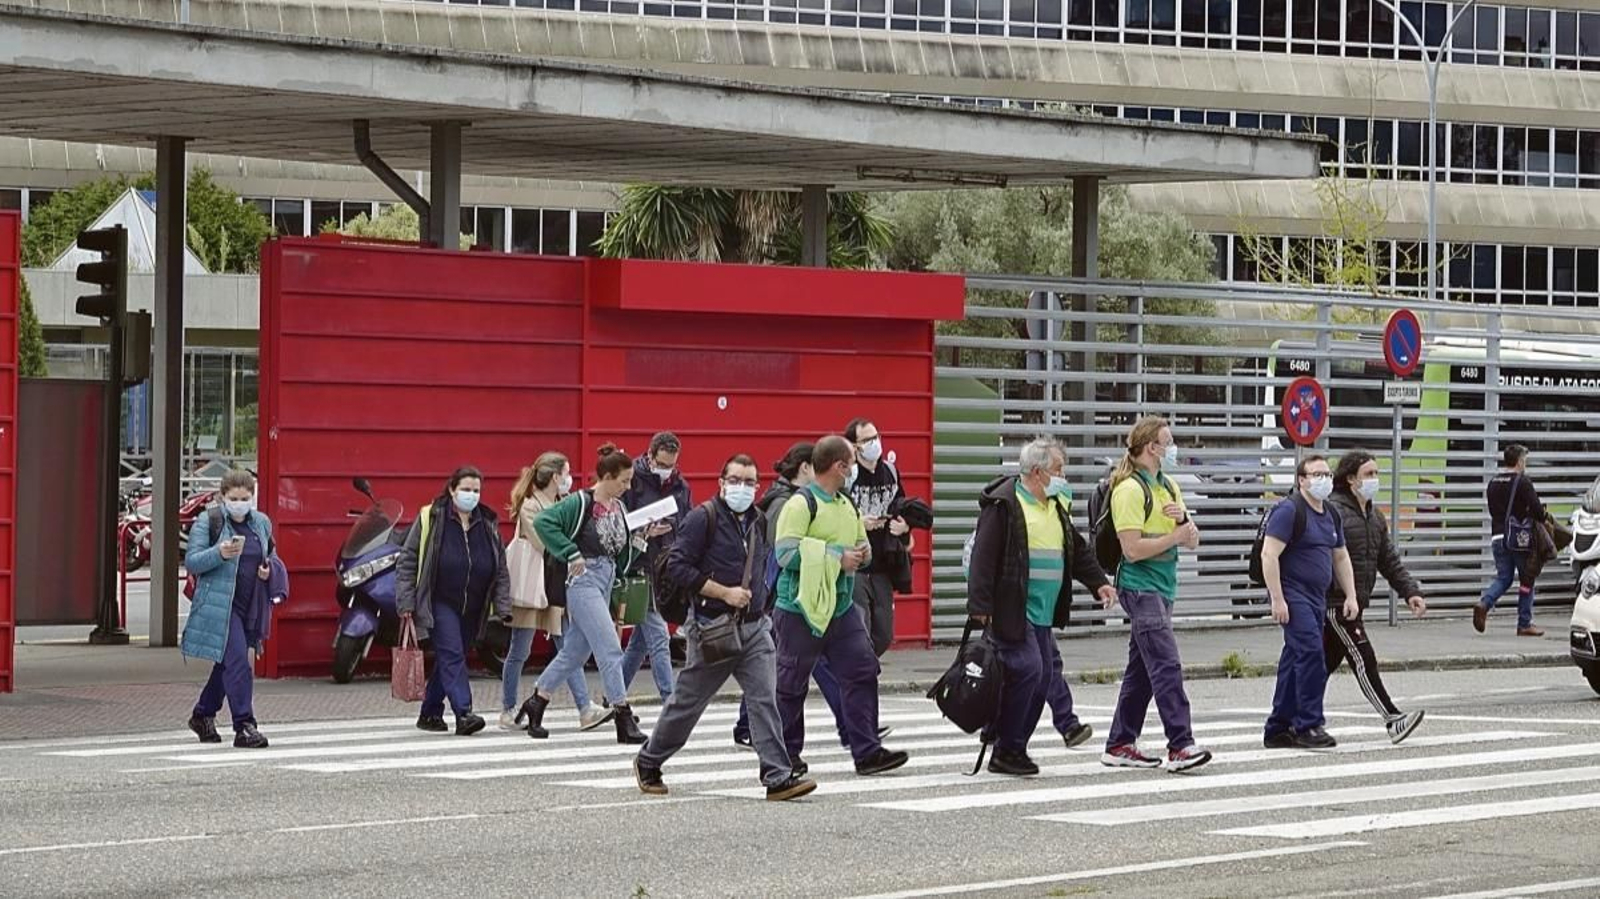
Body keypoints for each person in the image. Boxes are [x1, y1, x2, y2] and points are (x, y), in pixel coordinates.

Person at [634, 454, 818, 802]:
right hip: (712, 628)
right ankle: (649, 760)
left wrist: (763, 605)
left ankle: (777, 776)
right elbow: (678, 568)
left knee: (765, 700)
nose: (742, 488)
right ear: (722, 483)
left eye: (749, 482)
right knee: (687, 704)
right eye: (736, 480)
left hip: (754, 629)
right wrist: (724, 593)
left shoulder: (758, 521)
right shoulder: (702, 519)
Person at [967, 438, 1116, 776]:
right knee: (1030, 670)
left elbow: (1075, 549)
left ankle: (1008, 742)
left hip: (1044, 610)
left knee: (1043, 675)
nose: (1063, 476)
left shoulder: (1053, 505)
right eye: (1058, 470)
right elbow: (983, 556)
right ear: (1037, 472)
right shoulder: (1004, 505)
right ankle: (1008, 748)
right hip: (1012, 607)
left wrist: (1098, 582)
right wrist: (979, 604)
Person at [773, 435, 909, 777]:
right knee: (791, 684)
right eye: (851, 459)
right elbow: (785, 553)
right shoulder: (800, 505)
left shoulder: (846, 504)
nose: (856, 465)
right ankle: (787, 757)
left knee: (863, 671)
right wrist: (836, 557)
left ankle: (867, 751)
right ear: (840, 466)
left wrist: (863, 556)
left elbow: (862, 548)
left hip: (841, 607)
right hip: (800, 609)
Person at [517, 443, 650, 744]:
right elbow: (543, 522)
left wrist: (641, 539)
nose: (627, 487)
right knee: (609, 646)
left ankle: (537, 700)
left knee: (576, 652)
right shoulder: (580, 501)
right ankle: (622, 714)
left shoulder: (619, 507)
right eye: (623, 480)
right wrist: (570, 552)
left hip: (605, 578)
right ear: (605, 476)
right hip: (583, 579)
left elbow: (620, 554)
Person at [1101, 416, 1211, 773]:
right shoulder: (1129, 490)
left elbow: (1193, 539)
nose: (1173, 447)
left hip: (1164, 586)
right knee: (1165, 663)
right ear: (1152, 447)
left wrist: (1183, 524)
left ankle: (1120, 742)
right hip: (1139, 585)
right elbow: (1131, 549)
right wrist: (1176, 537)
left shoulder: (1169, 486)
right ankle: (1181, 745)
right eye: (1169, 441)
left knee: (1142, 670)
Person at [396, 466, 512, 737]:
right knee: (451, 653)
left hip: (474, 605)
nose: (471, 495)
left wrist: (502, 606)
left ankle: (430, 712)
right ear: (452, 489)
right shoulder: (432, 518)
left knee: (452, 657)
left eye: (476, 490)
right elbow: (408, 561)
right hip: (440, 601)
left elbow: (501, 568)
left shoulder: (487, 522)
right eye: (466, 489)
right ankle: (464, 712)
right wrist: (405, 602)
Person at [500, 453, 611, 733]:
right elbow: (543, 543)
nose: (569, 478)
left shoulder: (562, 503)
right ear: (554, 477)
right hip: (533, 584)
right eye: (567, 472)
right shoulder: (530, 505)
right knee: (520, 649)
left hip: (556, 585)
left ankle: (585, 708)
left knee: (567, 648)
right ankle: (508, 708)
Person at [1326, 451, 1427, 745]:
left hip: (1355, 602)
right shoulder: (1336, 512)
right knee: (1364, 659)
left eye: (1376, 474)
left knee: (1321, 666)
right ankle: (1392, 718)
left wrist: (1411, 592)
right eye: (1369, 474)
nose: (1375, 480)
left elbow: (1389, 560)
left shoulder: (1373, 515)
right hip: (1337, 603)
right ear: (1350, 479)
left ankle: (1298, 719)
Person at [1260, 454, 1358, 751]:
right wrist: (1277, 599)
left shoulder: (1330, 513)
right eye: (1316, 475)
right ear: (1301, 480)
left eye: (1327, 474)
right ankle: (1308, 724)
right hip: (1293, 594)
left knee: (1294, 659)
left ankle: (1278, 728)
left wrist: (1350, 594)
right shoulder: (1289, 511)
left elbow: (1340, 555)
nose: (1324, 480)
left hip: (1317, 597)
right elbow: (1269, 555)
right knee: (1312, 654)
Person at [182, 469, 281, 749]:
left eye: (245, 498)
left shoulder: (261, 523)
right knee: (238, 661)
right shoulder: (209, 521)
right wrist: (219, 553)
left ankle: (202, 714)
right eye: (234, 498)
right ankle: (244, 725)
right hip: (220, 606)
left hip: (250, 604)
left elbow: (270, 555)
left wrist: (267, 571)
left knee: (226, 664)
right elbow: (192, 562)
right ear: (223, 497)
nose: (240, 503)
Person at [620, 431, 690, 701]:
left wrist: (670, 527)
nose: (666, 470)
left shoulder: (680, 485)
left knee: (639, 643)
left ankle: (614, 696)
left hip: (665, 566)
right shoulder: (632, 481)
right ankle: (670, 700)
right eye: (661, 465)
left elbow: (685, 521)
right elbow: (620, 519)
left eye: (671, 465)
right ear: (650, 456)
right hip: (639, 565)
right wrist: (644, 529)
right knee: (659, 636)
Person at [843, 417, 909, 658]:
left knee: (883, 634)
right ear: (854, 446)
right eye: (867, 439)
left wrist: (904, 527)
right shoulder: (849, 476)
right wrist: (858, 523)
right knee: (860, 630)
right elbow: (833, 511)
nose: (875, 443)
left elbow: (902, 506)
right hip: (856, 563)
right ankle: (859, 679)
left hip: (883, 564)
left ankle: (863, 671)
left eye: (876, 437)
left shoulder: (890, 471)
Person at [1476, 444, 1547, 637]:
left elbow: (1493, 511)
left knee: (1504, 578)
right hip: (1518, 539)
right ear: (1519, 461)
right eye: (1524, 460)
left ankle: (1484, 603)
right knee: (1527, 578)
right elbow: (1537, 511)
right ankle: (1524, 623)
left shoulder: (1493, 482)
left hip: (1498, 537)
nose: (1525, 464)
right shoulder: (1522, 482)